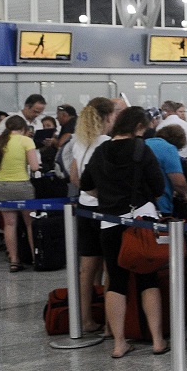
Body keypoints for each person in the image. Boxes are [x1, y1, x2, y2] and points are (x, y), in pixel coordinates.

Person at [80, 107, 167, 358]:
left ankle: (119, 343)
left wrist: (107, 196)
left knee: (116, 281)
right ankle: (158, 340)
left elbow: (86, 185)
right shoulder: (141, 149)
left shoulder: (101, 150)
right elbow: (158, 187)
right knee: (148, 279)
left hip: (109, 223)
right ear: (138, 126)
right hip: (141, 223)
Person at [68, 97, 117, 333]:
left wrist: (87, 193)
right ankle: (109, 324)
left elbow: (74, 176)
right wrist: (102, 196)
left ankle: (85, 319)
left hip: (84, 208)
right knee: (109, 268)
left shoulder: (79, 141)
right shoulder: (107, 142)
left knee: (87, 269)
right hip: (104, 210)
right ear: (107, 116)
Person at [0, 115, 39, 271]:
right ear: (23, 128)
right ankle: (36, 258)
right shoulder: (26, 141)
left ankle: (14, 261)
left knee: (9, 224)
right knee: (30, 223)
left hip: (2, 186)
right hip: (22, 185)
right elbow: (35, 166)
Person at [148, 125, 187, 217]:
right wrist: (184, 195)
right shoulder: (169, 148)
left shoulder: (145, 143)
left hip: (141, 204)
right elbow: (179, 183)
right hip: (161, 205)